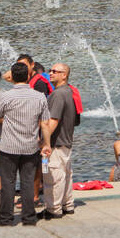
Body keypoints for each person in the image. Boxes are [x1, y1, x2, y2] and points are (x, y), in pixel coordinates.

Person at [0, 61, 52, 226]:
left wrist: (10, 120)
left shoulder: (6, 96)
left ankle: (5, 219)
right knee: (28, 183)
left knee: (7, 184)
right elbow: (45, 123)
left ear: (12, 76)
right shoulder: (39, 97)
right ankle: (29, 218)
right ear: (28, 76)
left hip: (9, 147)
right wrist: (47, 144)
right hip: (30, 146)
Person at [41, 62, 77, 219]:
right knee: (66, 176)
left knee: (53, 178)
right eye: (50, 70)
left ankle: (53, 209)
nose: (51, 73)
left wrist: (44, 142)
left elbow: (53, 121)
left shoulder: (57, 94)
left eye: (55, 71)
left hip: (56, 142)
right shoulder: (69, 91)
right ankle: (67, 205)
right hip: (66, 141)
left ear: (64, 75)